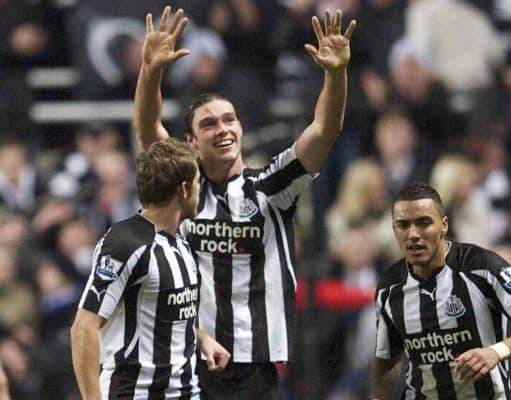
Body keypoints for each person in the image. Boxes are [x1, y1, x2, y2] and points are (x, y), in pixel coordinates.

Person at [132, 5, 356, 399]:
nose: (222, 129)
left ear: (240, 127)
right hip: (190, 357)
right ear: (190, 142)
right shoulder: (181, 189)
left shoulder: (272, 186)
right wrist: (150, 72)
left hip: (257, 363)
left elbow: (324, 129)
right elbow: (149, 131)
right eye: (208, 123)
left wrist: (335, 75)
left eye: (228, 119)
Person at [71, 138, 230, 400]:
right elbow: (83, 328)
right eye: (198, 183)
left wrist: (201, 339)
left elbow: (158, 313)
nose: (200, 191)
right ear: (184, 189)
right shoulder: (126, 242)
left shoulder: (179, 241)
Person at [370, 183, 511, 399]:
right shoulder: (390, 287)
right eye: (403, 225)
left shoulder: (482, 266)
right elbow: (385, 362)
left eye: (424, 223)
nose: (413, 234)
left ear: (444, 225)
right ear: (394, 229)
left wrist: (496, 352)